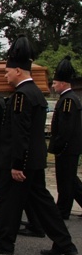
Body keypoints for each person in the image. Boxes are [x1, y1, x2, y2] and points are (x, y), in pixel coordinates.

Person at [0, 36, 78, 255]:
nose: (5, 75)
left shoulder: (21, 96)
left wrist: (16, 164)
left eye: (7, 71)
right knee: (42, 203)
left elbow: (20, 133)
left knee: (9, 202)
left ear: (18, 71)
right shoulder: (35, 93)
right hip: (34, 159)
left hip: (20, 161)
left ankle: (4, 242)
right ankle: (64, 242)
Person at [48, 56, 82, 220]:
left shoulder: (68, 100)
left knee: (65, 181)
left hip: (67, 148)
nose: (53, 86)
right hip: (70, 147)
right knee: (71, 180)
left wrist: (58, 146)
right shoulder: (69, 99)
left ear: (62, 83)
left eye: (54, 83)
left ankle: (63, 210)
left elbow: (66, 128)